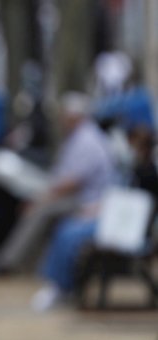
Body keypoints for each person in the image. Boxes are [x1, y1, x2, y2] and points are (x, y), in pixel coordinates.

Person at [0, 92, 117, 274]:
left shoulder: (88, 140)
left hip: (88, 202)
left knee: (39, 211)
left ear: (73, 117)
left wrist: (42, 199)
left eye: (64, 116)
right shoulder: (79, 136)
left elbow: (72, 183)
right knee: (36, 205)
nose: (61, 121)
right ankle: (20, 260)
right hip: (76, 196)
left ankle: (7, 262)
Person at [32, 124, 158, 311]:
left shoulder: (147, 173)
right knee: (67, 228)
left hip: (126, 227)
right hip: (115, 218)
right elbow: (119, 197)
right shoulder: (134, 168)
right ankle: (59, 284)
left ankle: (61, 286)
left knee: (69, 234)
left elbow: (132, 206)